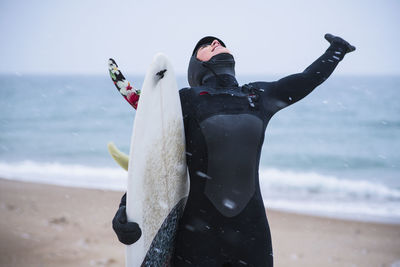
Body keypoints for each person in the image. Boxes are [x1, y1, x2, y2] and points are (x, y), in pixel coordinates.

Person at [112, 34, 355, 267]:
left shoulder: (259, 96)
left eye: (216, 42)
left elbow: (307, 78)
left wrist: (337, 49)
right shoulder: (185, 101)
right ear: (196, 68)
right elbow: (158, 160)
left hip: (253, 238)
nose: (215, 42)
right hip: (198, 239)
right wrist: (127, 208)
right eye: (205, 46)